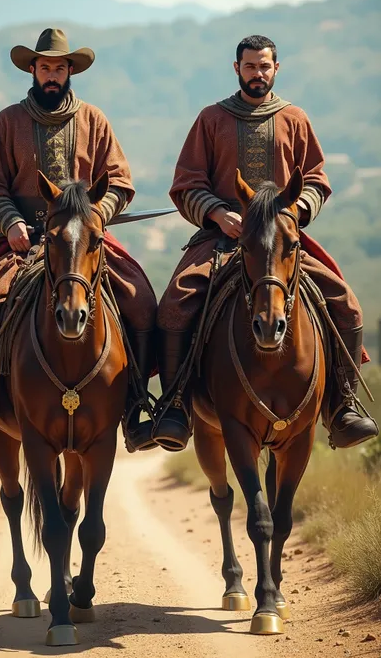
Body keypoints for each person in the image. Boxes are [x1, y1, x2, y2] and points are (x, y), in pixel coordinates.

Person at [145, 34, 378, 452]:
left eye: (265, 66)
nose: (258, 74)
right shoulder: (211, 119)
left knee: (345, 302)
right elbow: (187, 183)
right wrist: (218, 212)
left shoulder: (295, 118)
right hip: (223, 240)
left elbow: (317, 180)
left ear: (276, 69)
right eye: (250, 66)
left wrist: (293, 213)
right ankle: (175, 405)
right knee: (175, 303)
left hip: (282, 242)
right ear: (237, 69)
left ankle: (343, 404)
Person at [0, 28, 157, 451]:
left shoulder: (94, 119)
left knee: (141, 298)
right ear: (32, 70)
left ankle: (137, 407)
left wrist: (93, 218)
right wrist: (10, 222)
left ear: (70, 71)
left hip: (84, 242)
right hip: (23, 241)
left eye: (58, 67)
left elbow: (121, 184)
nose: (51, 75)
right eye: (44, 67)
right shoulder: (7, 121)